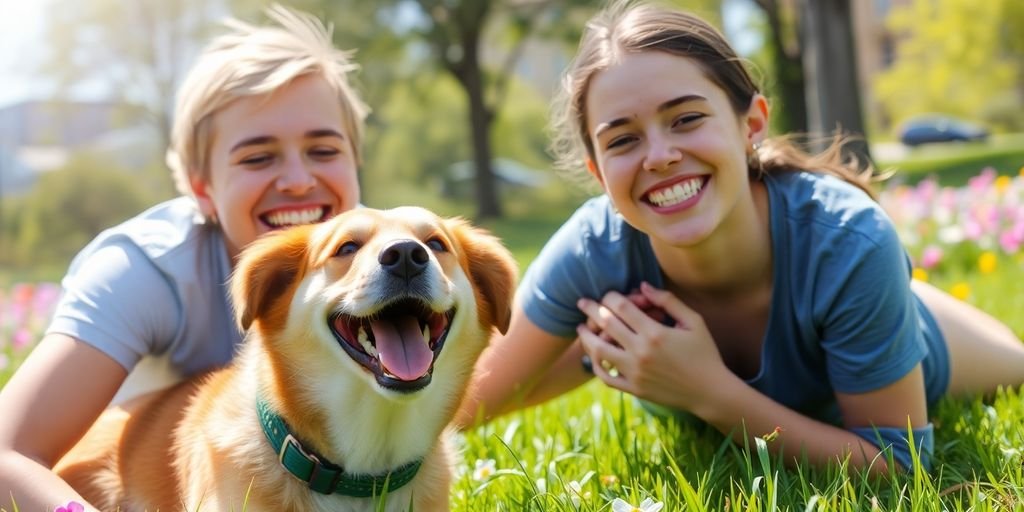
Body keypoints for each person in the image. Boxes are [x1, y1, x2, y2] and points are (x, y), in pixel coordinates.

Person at [458, 0, 1024, 475]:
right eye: (623, 140)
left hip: (920, 335)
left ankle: (900, 302)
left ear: (751, 123)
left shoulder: (849, 241)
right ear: (598, 171)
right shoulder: (593, 248)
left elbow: (899, 466)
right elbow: (467, 401)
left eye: (685, 119)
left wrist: (709, 393)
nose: (660, 156)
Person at [0, 6, 369, 509]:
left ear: (355, 161)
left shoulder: (393, 261)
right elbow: (9, 451)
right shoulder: (144, 273)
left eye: (324, 150)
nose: (299, 180)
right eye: (258, 157)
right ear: (203, 188)